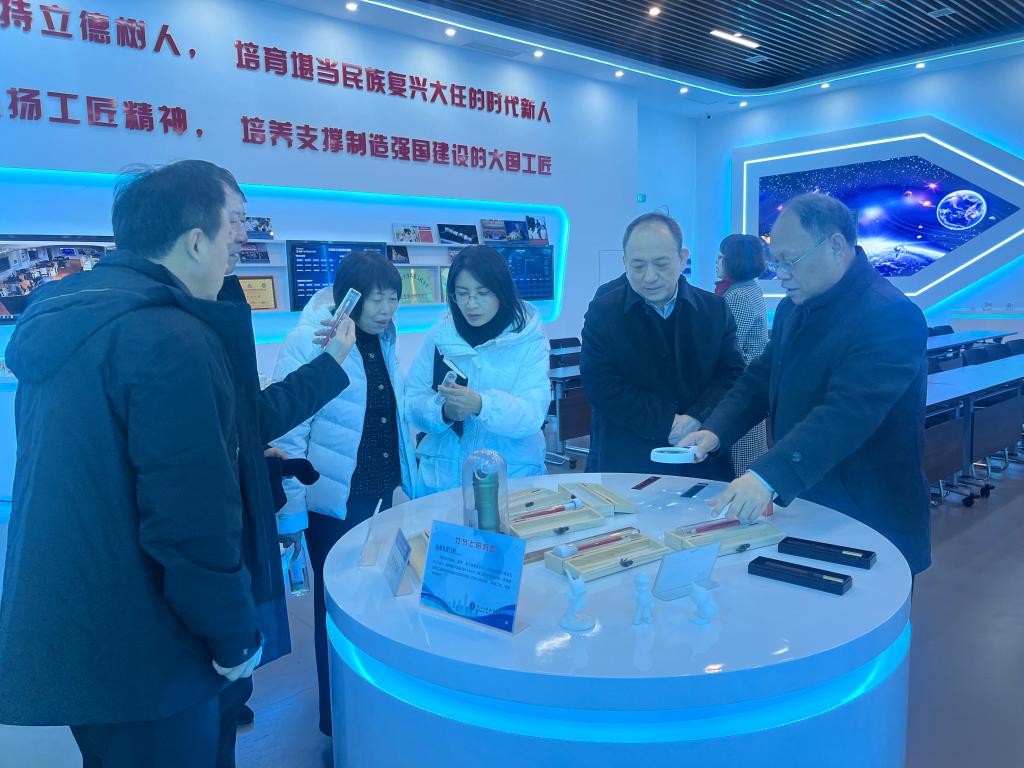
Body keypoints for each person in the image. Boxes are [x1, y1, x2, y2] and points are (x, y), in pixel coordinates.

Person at [0, 160, 355, 768]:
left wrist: (325, 368)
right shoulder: (169, 335)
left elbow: (223, 428)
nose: (242, 239)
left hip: (86, 627)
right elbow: (190, 518)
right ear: (195, 240)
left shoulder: (76, 314)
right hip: (152, 643)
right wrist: (233, 636)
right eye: (235, 222)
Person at [682, 193, 931, 574]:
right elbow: (760, 378)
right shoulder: (792, 307)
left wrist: (766, 476)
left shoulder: (889, 314)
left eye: (789, 261)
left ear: (836, 246)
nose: (780, 273)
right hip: (806, 500)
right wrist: (715, 430)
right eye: (774, 262)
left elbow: (846, 413)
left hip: (869, 511)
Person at [270, 250, 418, 738]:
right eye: (375, 299)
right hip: (334, 502)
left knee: (381, 599)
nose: (385, 310)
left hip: (382, 495)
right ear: (347, 297)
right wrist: (291, 517)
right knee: (336, 609)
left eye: (392, 299)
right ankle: (336, 720)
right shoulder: (312, 340)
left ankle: (373, 704)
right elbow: (289, 433)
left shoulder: (385, 340)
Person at [580, 212, 745, 480]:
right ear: (624, 262)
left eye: (661, 264)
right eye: (638, 266)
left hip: (700, 456)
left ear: (682, 258)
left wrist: (696, 416)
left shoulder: (713, 309)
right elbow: (600, 384)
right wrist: (666, 422)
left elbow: (732, 374)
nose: (649, 277)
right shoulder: (604, 311)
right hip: (628, 459)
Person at [406, 245, 550, 493]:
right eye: (462, 294)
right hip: (444, 479)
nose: (471, 304)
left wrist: (483, 405)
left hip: (511, 478)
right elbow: (412, 403)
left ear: (501, 292)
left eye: (482, 293)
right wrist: (443, 411)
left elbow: (532, 415)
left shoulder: (528, 340)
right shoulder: (439, 337)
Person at [715, 234, 770, 476]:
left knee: (740, 460)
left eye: (721, 256)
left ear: (733, 260)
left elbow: (730, 347)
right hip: (749, 383)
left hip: (739, 384)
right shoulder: (750, 288)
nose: (717, 261)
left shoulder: (737, 296)